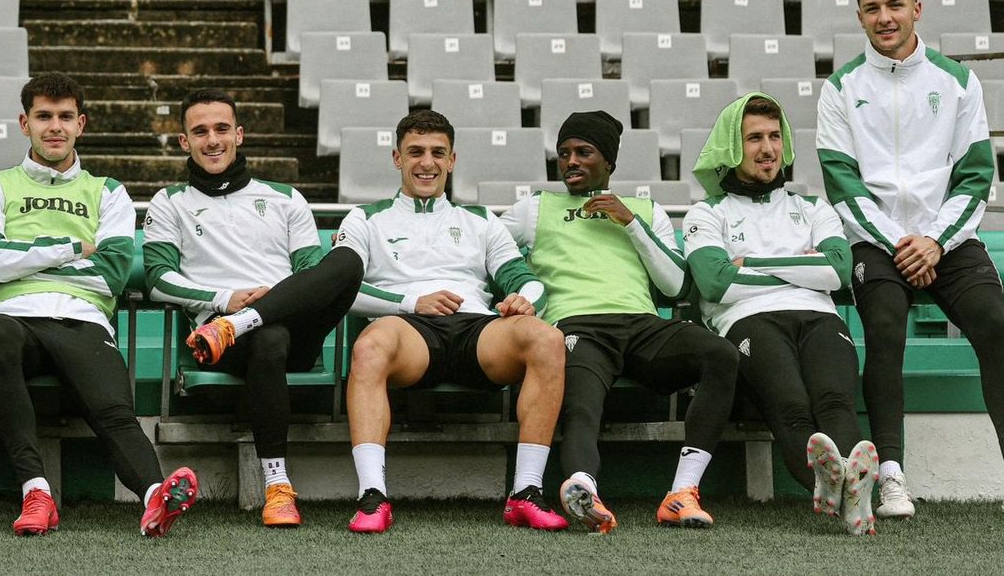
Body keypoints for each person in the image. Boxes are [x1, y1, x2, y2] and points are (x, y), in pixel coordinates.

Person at [0, 73, 199, 537]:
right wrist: (72, 248)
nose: (55, 126)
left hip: (84, 319)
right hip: (13, 318)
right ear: (24, 123)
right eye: (44, 116)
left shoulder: (108, 190)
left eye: (65, 117)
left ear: (81, 123)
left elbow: (111, 271)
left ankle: (155, 499)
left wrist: (22, 259)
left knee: (114, 413)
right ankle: (36, 492)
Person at [818, 0, 1004, 520]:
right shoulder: (841, 88)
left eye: (895, 6)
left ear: (916, 9)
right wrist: (903, 243)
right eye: (873, 9)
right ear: (860, 16)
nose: (885, 18)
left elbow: (976, 175)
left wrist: (936, 241)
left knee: (997, 325)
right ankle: (891, 475)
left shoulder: (956, 81)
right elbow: (841, 182)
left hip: (948, 235)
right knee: (882, 326)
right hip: (877, 241)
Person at [501, 110, 738, 532]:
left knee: (720, 353)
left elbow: (675, 285)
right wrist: (515, 293)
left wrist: (630, 222)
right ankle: (583, 485)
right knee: (582, 400)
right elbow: (492, 253)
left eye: (584, 152)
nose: (571, 161)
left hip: (642, 326)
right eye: (564, 153)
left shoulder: (646, 209)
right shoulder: (535, 208)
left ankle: (682, 493)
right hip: (578, 326)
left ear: (608, 162)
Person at [336, 110, 568, 535]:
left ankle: (525, 493)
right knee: (370, 345)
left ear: (453, 160)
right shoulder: (365, 218)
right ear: (396, 158)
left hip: (476, 329)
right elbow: (342, 289)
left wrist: (524, 300)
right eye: (416, 152)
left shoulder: (479, 220)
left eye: (437, 153)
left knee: (547, 339)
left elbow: (525, 280)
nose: (427, 163)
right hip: (407, 331)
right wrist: (411, 301)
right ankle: (372, 497)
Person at [145, 88, 363, 527]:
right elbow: (157, 279)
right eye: (200, 131)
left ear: (239, 134)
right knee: (269, 338)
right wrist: (223, 300)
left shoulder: (285, 197)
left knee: (348, 260)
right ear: (185, 142)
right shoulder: (169, 203)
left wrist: (254, 309)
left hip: (291, 326)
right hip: (221, 337)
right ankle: (277, 486)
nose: (212, 140)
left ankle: (243, 322)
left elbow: (310, 273)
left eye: (222, 128)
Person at [685, 93, 879, 535]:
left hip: (818, 317)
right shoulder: (706, 213)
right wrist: (802, 267)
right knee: (792, 406)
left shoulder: (813, 207)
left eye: (775, 136)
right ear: (732, 147)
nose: (768, 149)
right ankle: (835, 488)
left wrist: (751, 263)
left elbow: (838, 270)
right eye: (754, 138)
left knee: (834, 401)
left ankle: (848, 492)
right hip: (749, 319)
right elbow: (716, 283)